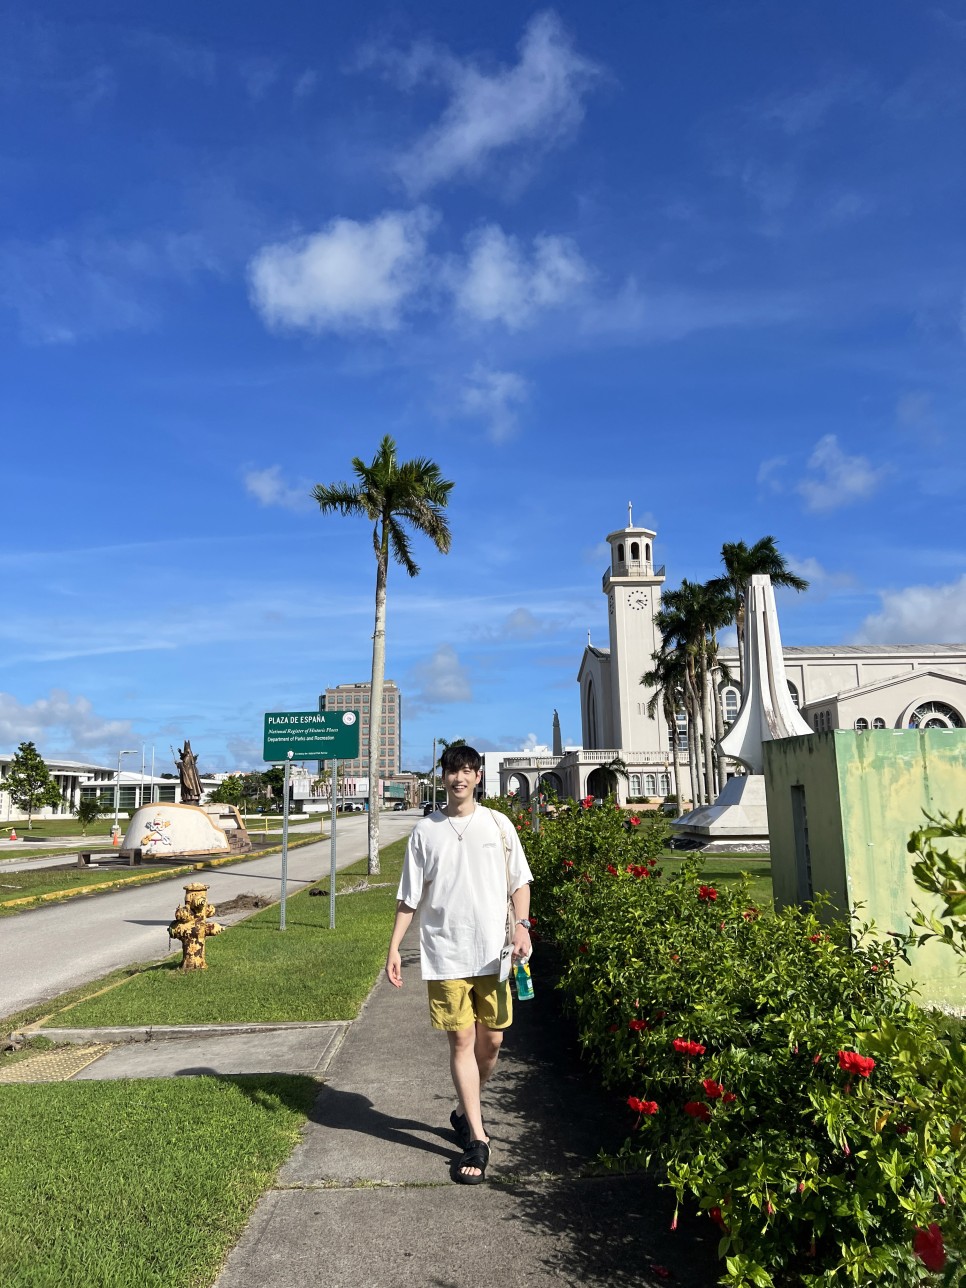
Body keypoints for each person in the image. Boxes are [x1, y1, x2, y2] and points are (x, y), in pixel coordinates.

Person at [385, 744, 533, 1184]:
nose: (459, 778)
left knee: (493, 1042)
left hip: (494, 953)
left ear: (479, 776)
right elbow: (409, 897)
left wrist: (522, 926)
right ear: (443, 776)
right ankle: (478, 1137)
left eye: (467, 770)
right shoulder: (425, 832)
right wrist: (393, 948)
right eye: (452, 771)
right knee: (462, 1042)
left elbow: (519, 881)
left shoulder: (498, 824)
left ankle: (462, 1110)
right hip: (445, 954)